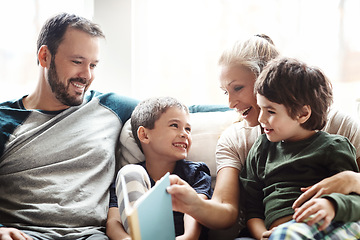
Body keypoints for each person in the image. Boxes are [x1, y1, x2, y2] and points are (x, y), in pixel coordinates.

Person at [166, 35, 360, 237]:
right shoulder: (248, 144)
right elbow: (237, 208)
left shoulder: (338, 131)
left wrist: (350, 181)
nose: (231, 103)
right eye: (226, 92)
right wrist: (194, 203)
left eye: (237, 88)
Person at [0, 13, 139, 240]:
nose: (87, 75)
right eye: (77, 62)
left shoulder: (109, 107)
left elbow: (177, 111)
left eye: (93, 65)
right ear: (45, 56)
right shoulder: (6, 119)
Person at [240, 57, 360, 240]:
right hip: (273, 235)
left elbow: (356, 200)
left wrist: (332, 205)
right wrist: (261, 234)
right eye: (260, 108)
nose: (261, 118)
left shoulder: (334, 147)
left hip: (318, 228)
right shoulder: (261, 149)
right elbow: (252, 207)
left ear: (303, 114)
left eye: (270, 111)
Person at [106, 97, 212, 240]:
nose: (184, 134)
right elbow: (113, 222)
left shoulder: (196, 173)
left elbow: (193, 215)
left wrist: (187, 237)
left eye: (188, 129)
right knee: (129, 172)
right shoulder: (127, 177)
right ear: (144, 135)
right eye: (174, 125)